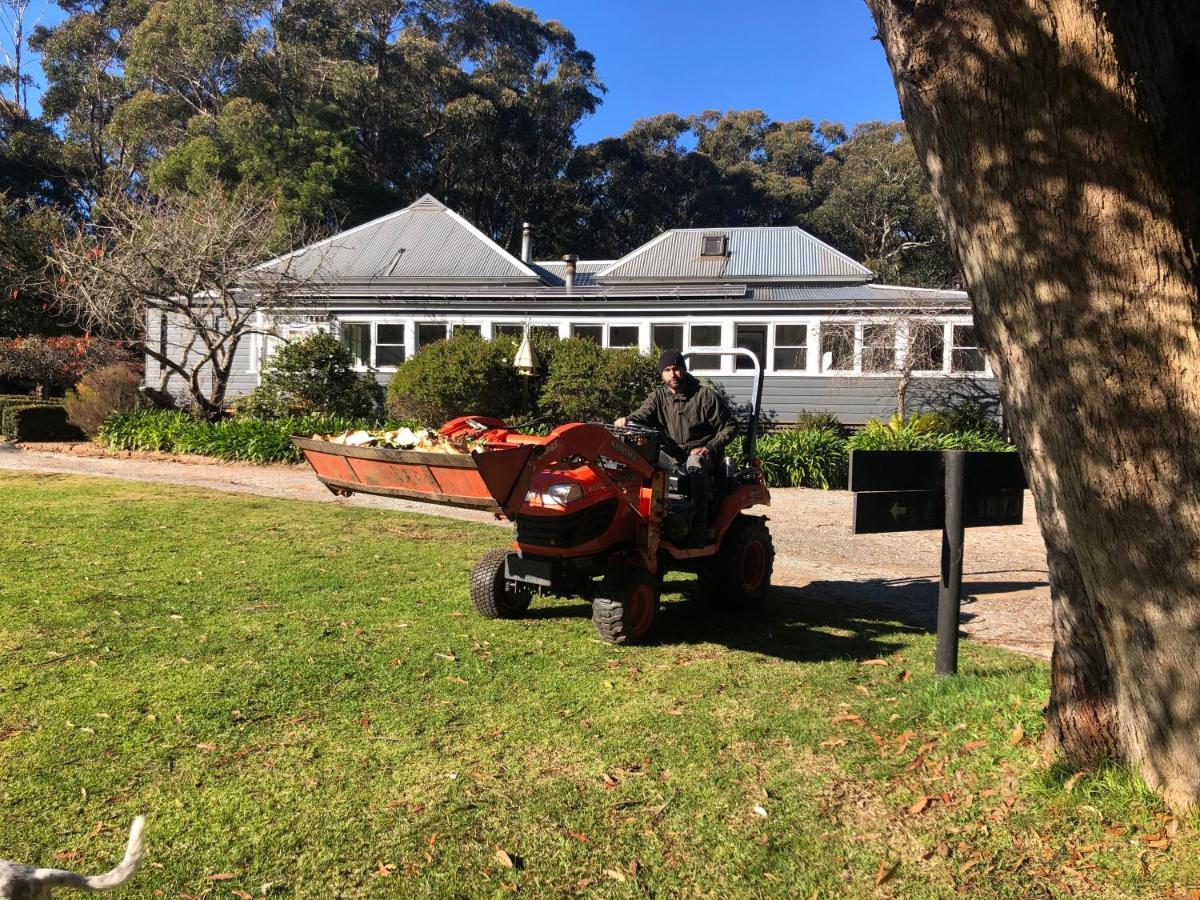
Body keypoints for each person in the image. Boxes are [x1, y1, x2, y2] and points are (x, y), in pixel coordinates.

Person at [616, 349, 737, 544]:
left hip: (702, 453)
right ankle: (644, 523)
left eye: (677, 368)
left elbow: (730, 426)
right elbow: (642, 414)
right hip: (672, 454)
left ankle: (699, 530)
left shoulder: (705, 396)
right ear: (662, 373)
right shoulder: (658, 397)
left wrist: (709, 447)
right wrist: (627, 420)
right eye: (668, 370)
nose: (673, 374)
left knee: (695, 464)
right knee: (639, 463)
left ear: (684, 370)